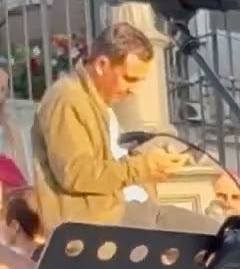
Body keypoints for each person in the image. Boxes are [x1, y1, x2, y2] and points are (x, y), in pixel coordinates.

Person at [30, 22, 218, 234]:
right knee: (213, 238)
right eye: (129, 78)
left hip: (120, 215)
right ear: (101, 64)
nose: (134, 90)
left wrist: (151, 165)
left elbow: (106, 167)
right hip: (95, 229)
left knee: (220, 236)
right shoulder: (67, 98)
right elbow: (76, 174)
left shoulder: (97, 103)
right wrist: (141, 167)